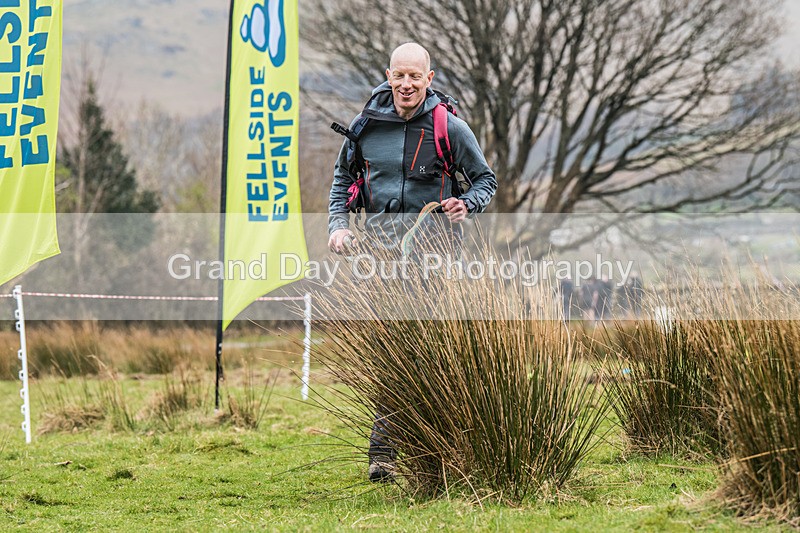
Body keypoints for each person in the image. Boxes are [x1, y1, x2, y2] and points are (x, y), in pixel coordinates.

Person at [326, 43, 497, 482]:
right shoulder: (366, 126)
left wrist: (467, 204)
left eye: (415, 77)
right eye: (399, 75)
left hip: (435, 261)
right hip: (379, 261)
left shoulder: (450, 128)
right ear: (388, 76)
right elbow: (343, 178)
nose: (406, 84)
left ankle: (439, 450)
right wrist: (338, 226)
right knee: (392, 355)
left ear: (429, 79)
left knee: (433, 355)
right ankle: (384, 454)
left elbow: (485, 180)